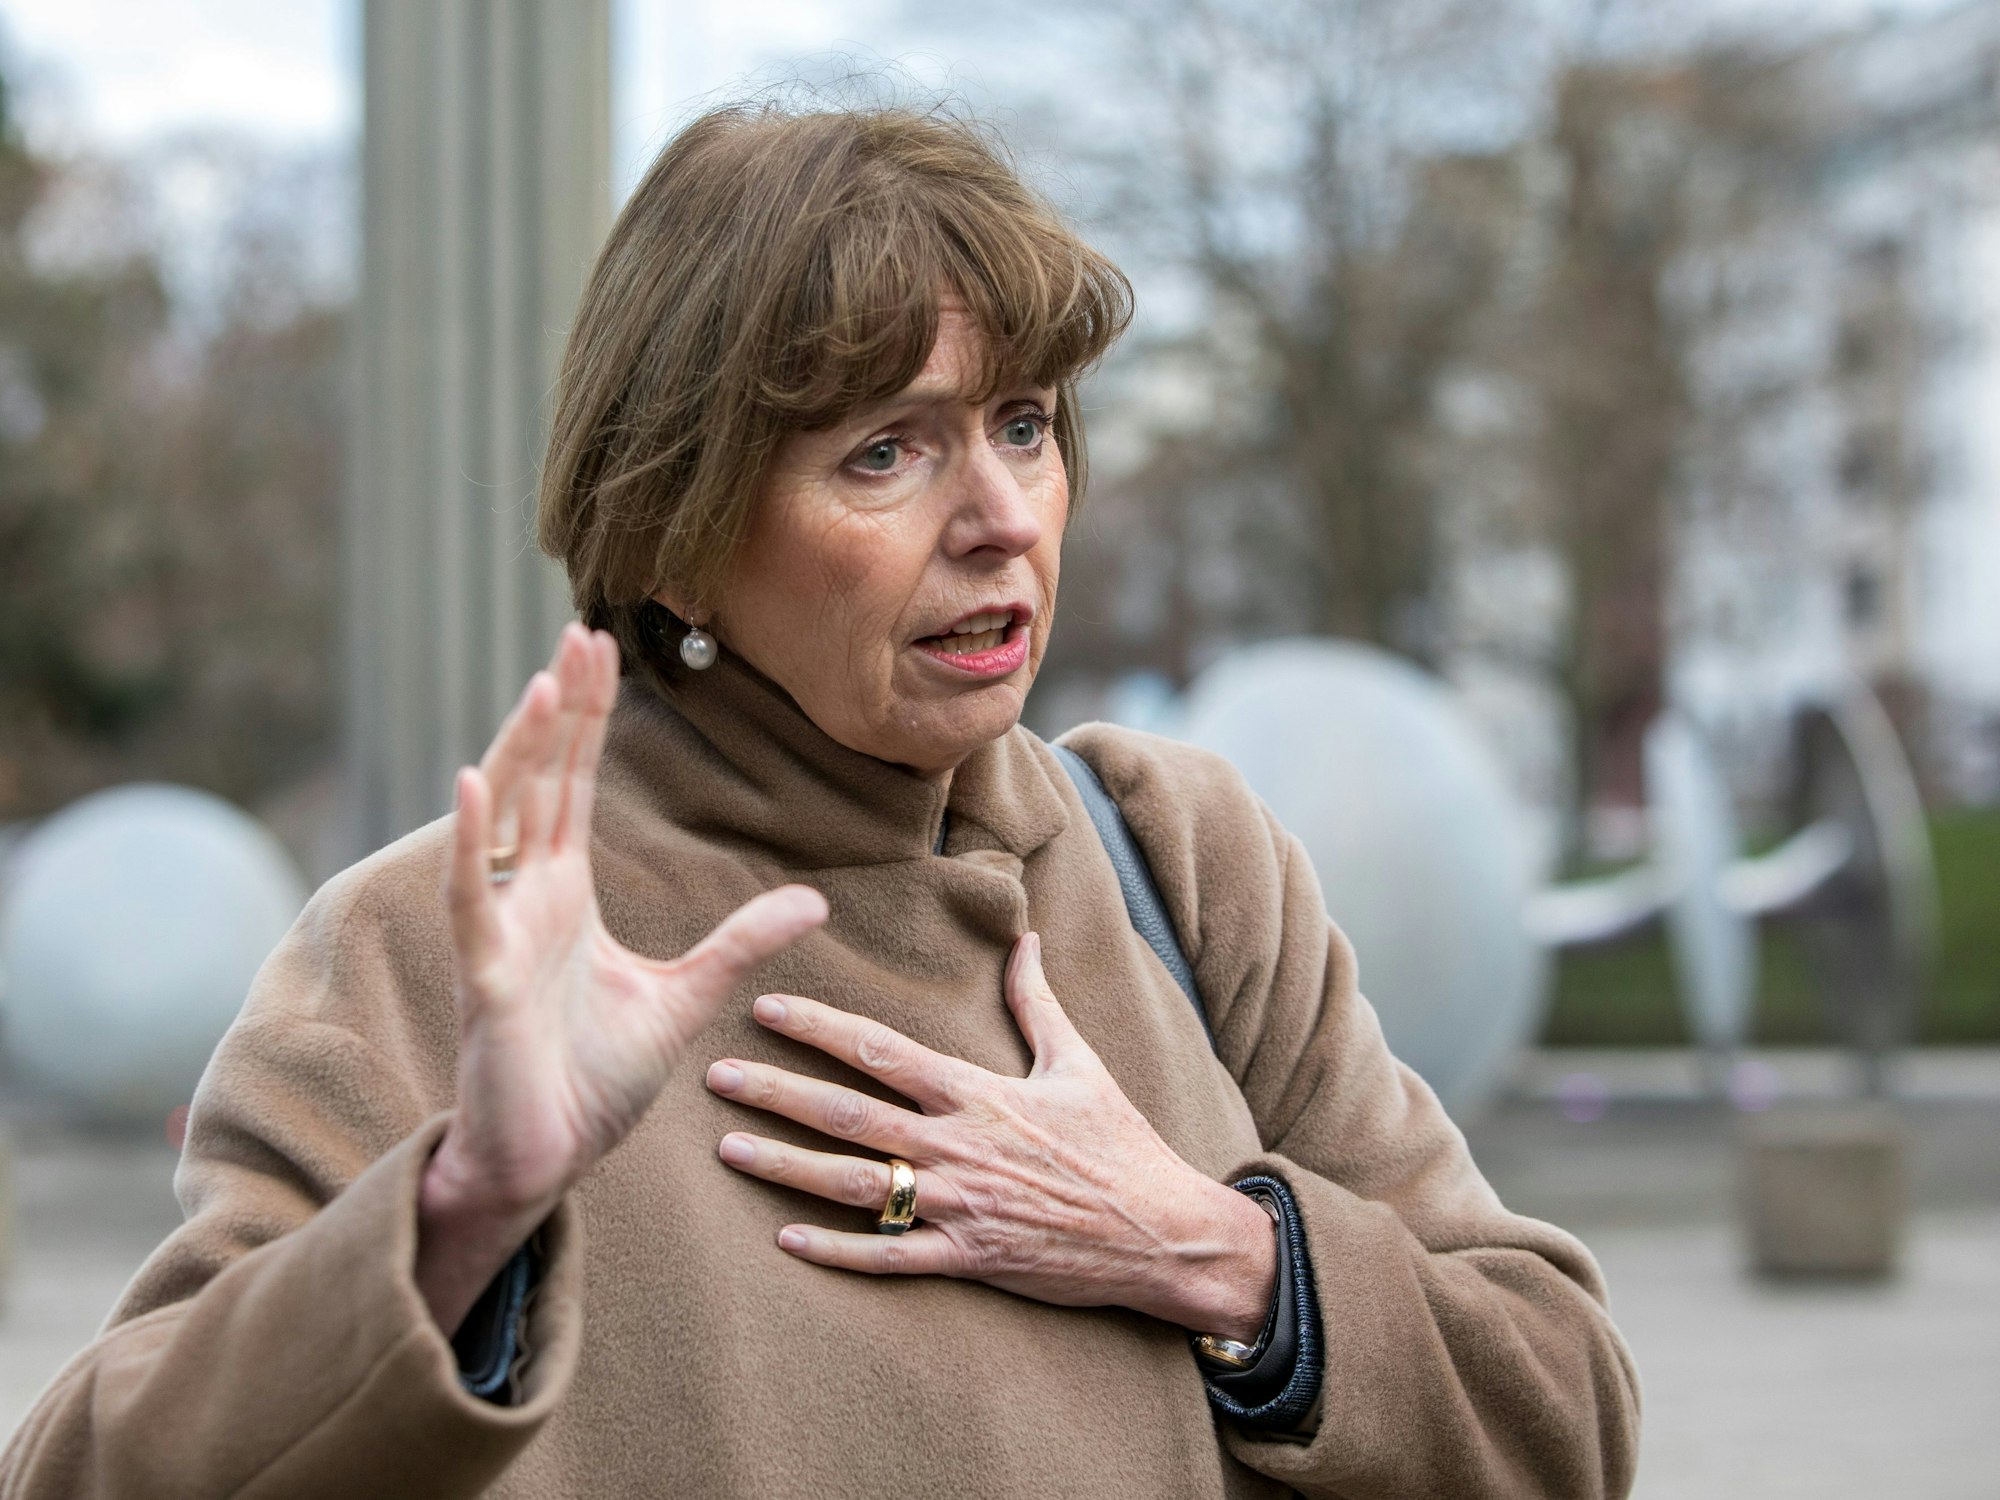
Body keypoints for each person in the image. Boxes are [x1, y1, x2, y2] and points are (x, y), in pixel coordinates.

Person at [0, 102, 1639, 1499]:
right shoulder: (437, 949)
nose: (1004, 514)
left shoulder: (1180, 866)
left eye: (1024, 425)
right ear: (674, 529)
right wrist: (463, 1218)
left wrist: (1212, 1253)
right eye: (887, 452)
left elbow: (1563, 1412)